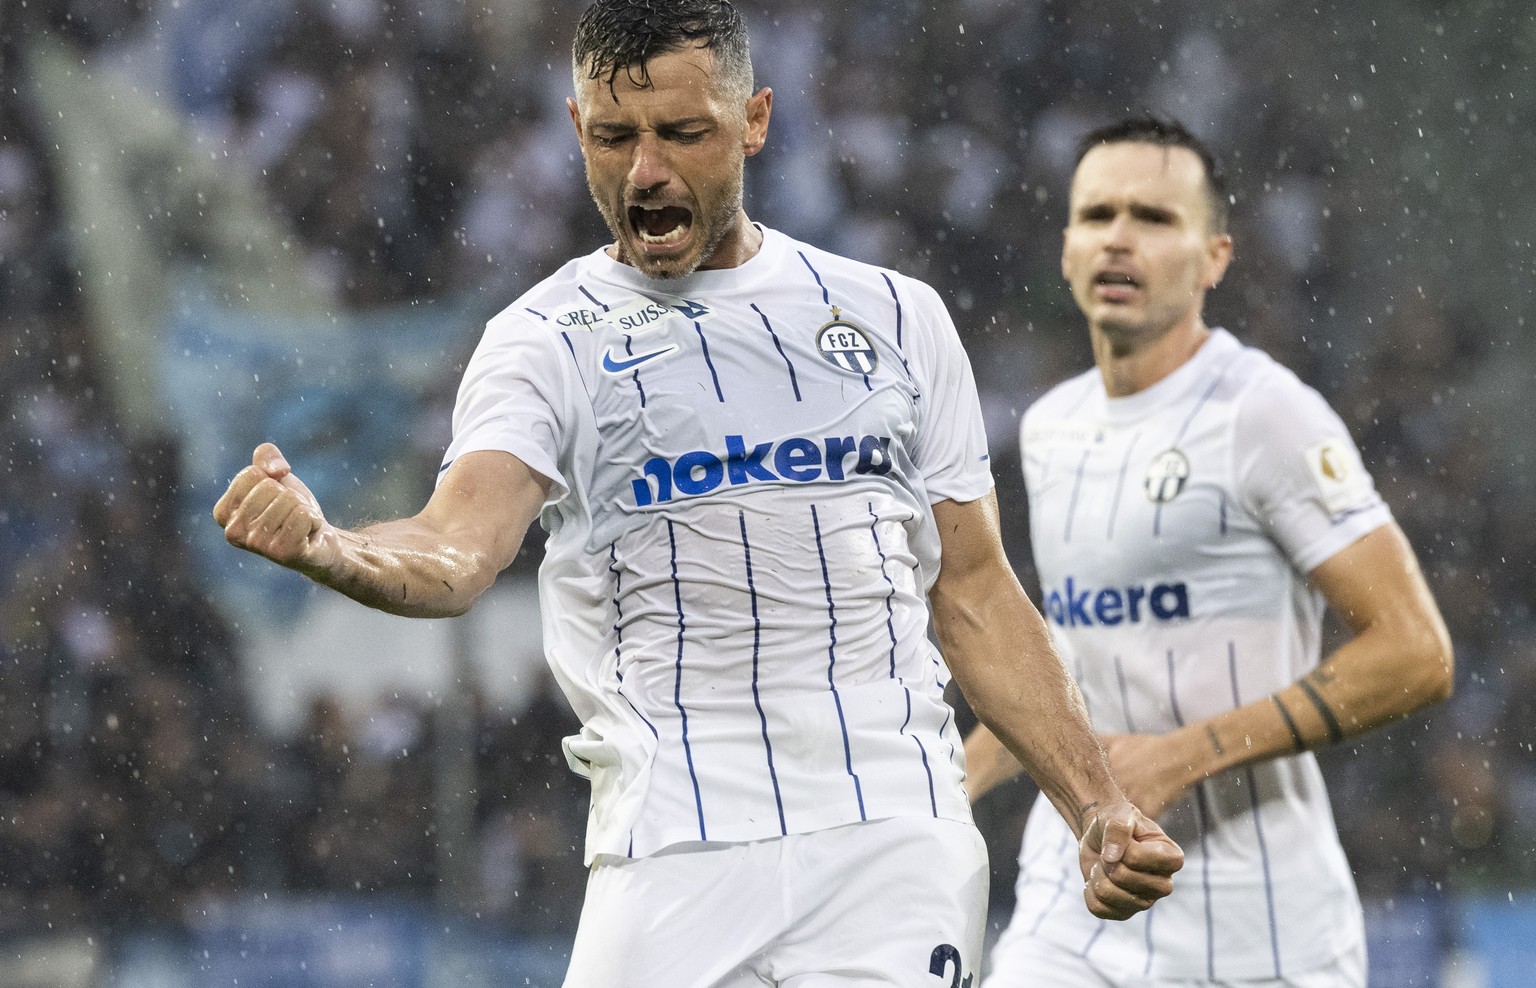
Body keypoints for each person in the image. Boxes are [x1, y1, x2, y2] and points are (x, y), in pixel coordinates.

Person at [213, 4, 1184, 985]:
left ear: (754, 120)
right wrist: (333, 548)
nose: (647, 173)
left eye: (683, 133)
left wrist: (1094, 803)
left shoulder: (896, 318)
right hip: (672, 848)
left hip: (890, 841)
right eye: (614, 136)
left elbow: (975, 593)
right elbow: (458, 548)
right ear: (575, 126)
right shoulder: (545, 342)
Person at [966, 116, 1454, 988]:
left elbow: (1416, 653)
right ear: (1068, 245)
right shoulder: (1048, 427)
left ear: (1215, 257)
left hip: (1264, 927)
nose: (1119, 236)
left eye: (1154, 218)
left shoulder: (1266, 415)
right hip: (1076, 899)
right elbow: (1073, 651)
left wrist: (1179, 755)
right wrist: (952, 783)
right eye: (1098, 214)